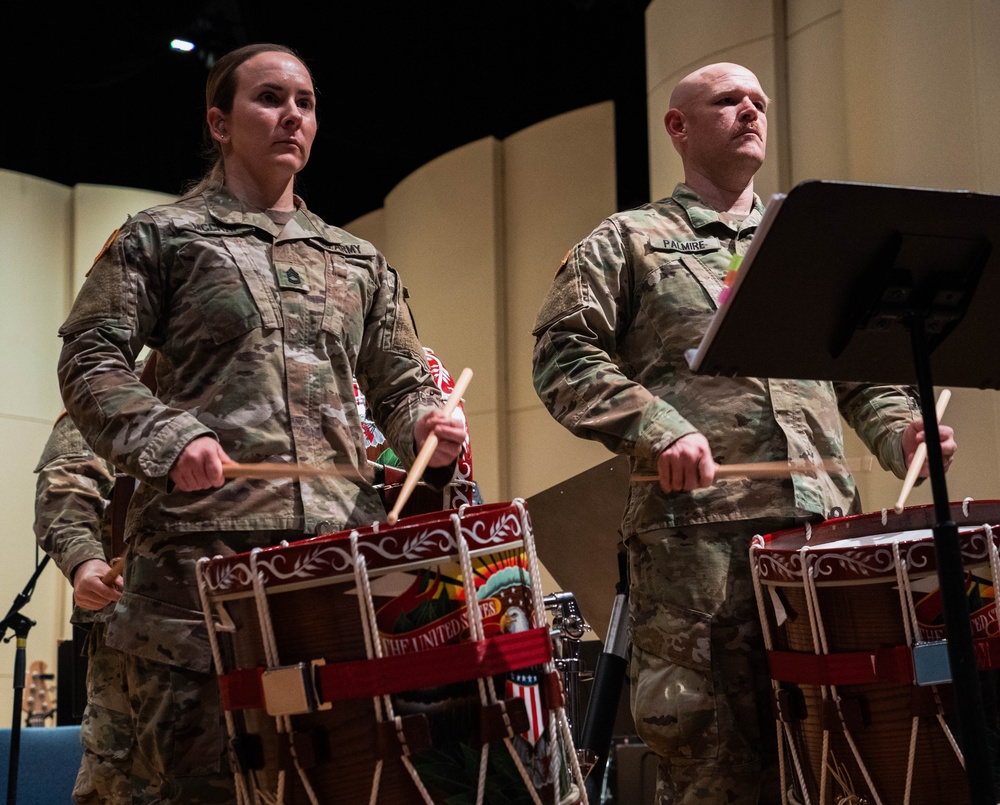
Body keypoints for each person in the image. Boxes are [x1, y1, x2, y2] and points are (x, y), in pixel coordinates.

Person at [530, 62, 957, 804]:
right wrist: (658, 428)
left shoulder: (802, 244)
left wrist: (902, 435)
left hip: (818, 536)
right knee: (714, 763)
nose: (750, 111)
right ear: (678, 126)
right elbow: (562, 354)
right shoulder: (629, 239)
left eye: (759, 101)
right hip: (696, 544)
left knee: (841, 752)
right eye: (728, 101)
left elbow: (856, 374)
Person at [56, 42, 466, 804]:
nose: (292, 117)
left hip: (331, 571)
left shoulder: (359, 261)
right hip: (196, 580)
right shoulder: (162, 235)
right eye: (270, 99)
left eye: (305, 103)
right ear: (219, 121)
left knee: (336, 784)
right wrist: (170, 436)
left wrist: (430, 434)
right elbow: (90, 357)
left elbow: (405, 387)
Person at [33, 409, 130, 804]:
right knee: (120, 784)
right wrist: (84, 560)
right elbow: (65, 491)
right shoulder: (116, 382)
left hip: (262, 621)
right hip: (140, 631)